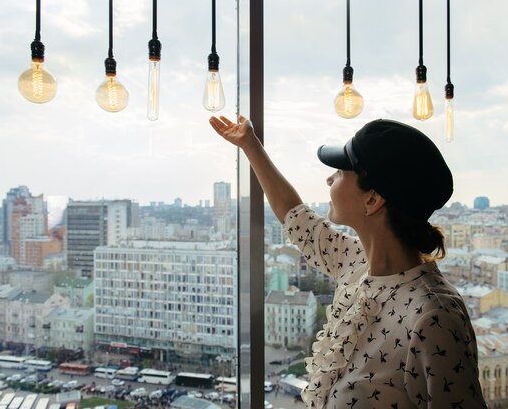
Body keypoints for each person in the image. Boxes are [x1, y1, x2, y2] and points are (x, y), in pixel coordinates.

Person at [209, 115, 488, 408]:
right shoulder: (357, 262)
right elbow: (296, 217)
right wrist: (251, 146)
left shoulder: (434, 318)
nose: (329, 179)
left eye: (340, 172)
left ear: (372, 200)